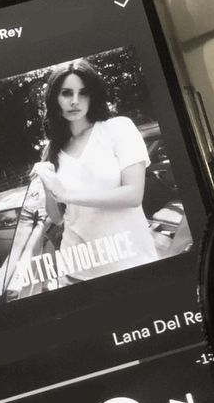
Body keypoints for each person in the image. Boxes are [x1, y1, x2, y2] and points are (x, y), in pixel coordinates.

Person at [31, 58, 158, 282]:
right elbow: (57, 217)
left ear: (94, 96)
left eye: (84, 93)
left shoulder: (117, 129)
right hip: (77, 269)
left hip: (130, 261)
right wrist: (46, 180)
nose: (75, 101)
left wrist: (68, 194)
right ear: (55, 99)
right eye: (66, 93)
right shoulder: (52, 150)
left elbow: (133, 195)